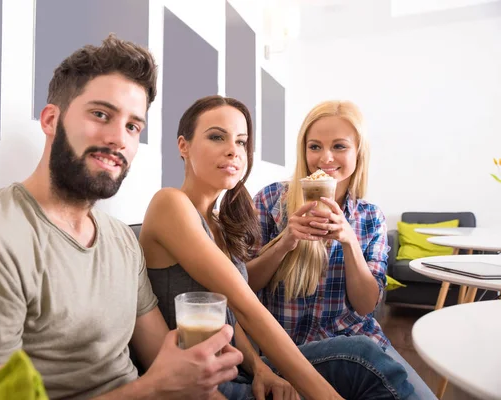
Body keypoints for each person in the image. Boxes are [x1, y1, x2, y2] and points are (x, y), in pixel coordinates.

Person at [0, 34, 243, 400]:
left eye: (133, 126)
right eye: (101, 114)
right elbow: (160, 383)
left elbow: (166, 367)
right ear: (51, 120)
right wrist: (154, 389)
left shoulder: (122, 241)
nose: (119, 138)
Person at [139, 95, 415, 400]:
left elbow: (230, 313)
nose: (233, 150)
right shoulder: (171, 203)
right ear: (183, 146)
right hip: (204, 379)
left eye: (242, 142)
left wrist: (259, 368)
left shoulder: (218, 222)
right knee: (364, 357)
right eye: (217, 137)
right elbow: (246, 303)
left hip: (241, 366)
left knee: (370, 358)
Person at [247, 100, 436, 399]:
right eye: (315, 146)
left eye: (339, 146)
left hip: (359, 342)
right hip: (291, 353)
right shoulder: (271, 200)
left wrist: (349, 241)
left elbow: (366, 306)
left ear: (358, 152)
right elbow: (244, 284)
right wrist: (285, 243)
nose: (326, 158)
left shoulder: (370, 216)